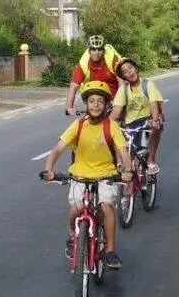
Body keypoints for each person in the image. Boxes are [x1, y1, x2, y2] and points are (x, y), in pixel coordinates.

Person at [42, 80, 133, 269]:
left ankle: (110, 251)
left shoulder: (111, 126)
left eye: (100, 101)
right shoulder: (79, 125)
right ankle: (72, 234)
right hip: (79, 175)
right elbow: (58, 149)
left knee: (106, 206)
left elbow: (124, 152)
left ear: (106, 104)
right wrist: (49, 169)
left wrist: (128, 171)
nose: (96, 105)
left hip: (107, 174)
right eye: (92, 101)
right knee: (76, 208)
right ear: (86, 104)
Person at [109, 57, 164, 174]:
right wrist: (106, 124)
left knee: (155, 127)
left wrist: (154, 120)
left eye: (130, 68)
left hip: (147, 120)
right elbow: (116, 111)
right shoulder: (123, 90)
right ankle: (121, 166)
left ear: (136, 69)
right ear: (124, 77)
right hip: (130, 124)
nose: (129, 71)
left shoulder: (147, 85)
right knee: (119, 139)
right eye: (125, 71)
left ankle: (151, 161)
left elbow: (154, 105)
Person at [65, 35, 122, 115]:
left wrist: (119, 102)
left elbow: (121, 81)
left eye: (99, 49)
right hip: (95, 101)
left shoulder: (112, 59)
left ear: (104, 50)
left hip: (113, 99)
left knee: (118, 123)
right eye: (93, 49)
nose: (97, 53)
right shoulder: (83, 64)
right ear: (89, 51)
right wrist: (69, 107)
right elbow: (73, 86)